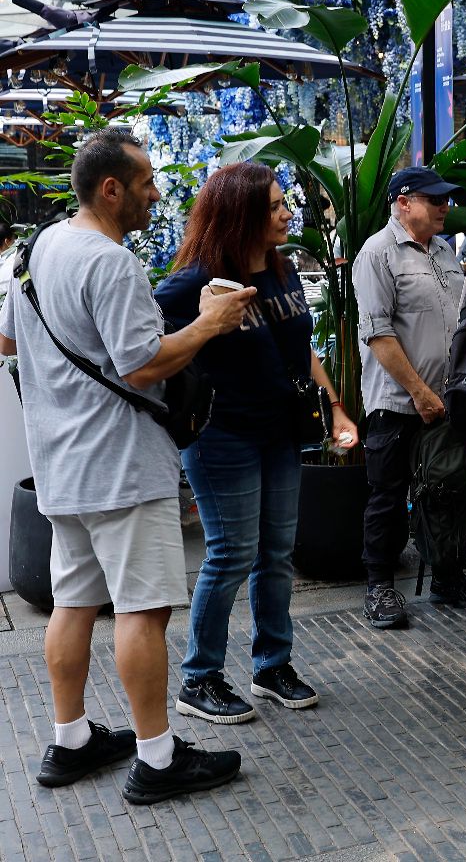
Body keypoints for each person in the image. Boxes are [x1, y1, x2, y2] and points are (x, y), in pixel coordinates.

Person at [0, 128, 250, 803]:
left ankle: (70, 740)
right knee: (144, 609)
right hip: (122, 465)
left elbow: (7, 338)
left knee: (74, 602)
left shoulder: (37, 247)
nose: (156, 195)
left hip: (61, 465)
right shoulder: (111, 263)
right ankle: (157, 758)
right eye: (146, 184)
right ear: (110, 189)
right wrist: (210, 321)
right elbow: (142, 366)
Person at [153, 162, 358, 725]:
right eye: (273, 206)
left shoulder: (281, 269)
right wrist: (202, 329)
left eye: (283, 203)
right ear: (240, 214)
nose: (287, 214)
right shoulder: (196, 281)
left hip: (281, 432)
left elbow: (301, 350)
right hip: (222, 437)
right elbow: (150, 347)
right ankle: (199, 677)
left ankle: (272, 665)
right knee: (231, 553)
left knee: (276, 552)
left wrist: (336, 406)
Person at [353, 165, 466, 629]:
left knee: (447, 489)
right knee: (388, 495)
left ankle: (447, 576)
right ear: (403, 203)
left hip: (446, 400)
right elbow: (378, 333)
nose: (445, 207)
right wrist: (418, 391)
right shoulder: (377, 253)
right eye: (434, 199)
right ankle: (379, 587)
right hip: (397, 403)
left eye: (445, 199)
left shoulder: (444, 250)